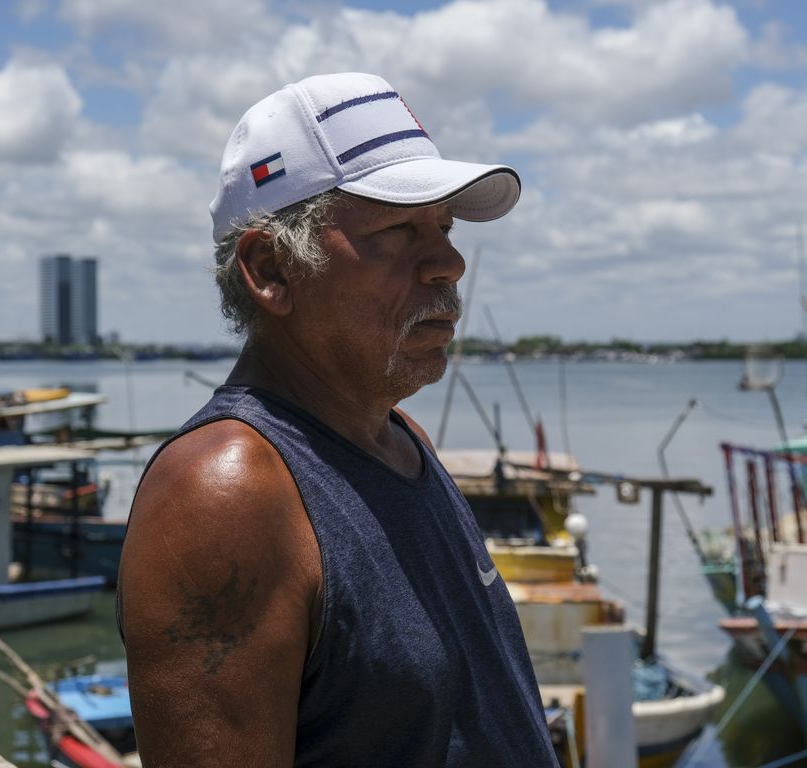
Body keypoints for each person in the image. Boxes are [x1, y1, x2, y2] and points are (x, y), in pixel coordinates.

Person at [117, 72, 558, 767]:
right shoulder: (227, 494)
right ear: (271, 268)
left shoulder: (398, 439)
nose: (449, 261)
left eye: (443, 226)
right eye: (397, 230)